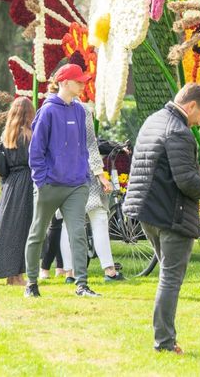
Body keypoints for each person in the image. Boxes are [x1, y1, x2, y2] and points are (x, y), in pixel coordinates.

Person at [122, 83, 200, 354]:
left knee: (166, 277)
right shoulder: (180, 131)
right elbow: (186, 181)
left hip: (147, 212)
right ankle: (165, 343)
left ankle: (164, 339)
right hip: (171, 213)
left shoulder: (153, 120)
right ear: (191, 105)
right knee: (170, 279)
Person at [23, 63, 111, 298]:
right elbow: (36, 150)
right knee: (38, 233)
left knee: (78, 234)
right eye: (78, 80)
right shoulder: (48, 111)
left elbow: (84, 146)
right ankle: (31, 283)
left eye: (83, 80)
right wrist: (41, 181)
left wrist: (84, 176)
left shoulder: (81, 110)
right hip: (49, 185)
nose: (83, 84)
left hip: (76, 185)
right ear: (64, 82)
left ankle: (81, 284)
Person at [59, 102, 124, 282]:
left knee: (67, 224)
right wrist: (101, 176)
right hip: (84, 173)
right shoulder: (83, 110)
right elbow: (91, 146)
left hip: (63, 174)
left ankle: (69, 273)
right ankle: (109, 270)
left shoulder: (50, 109)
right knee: (99, 219)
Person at [0, 97, 36, 285]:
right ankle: (18, 275)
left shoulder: (7, 134)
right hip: (27, 182)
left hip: (11, 183)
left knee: (8, 227)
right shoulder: (30, 134)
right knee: (24, 228)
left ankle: (10, 274)